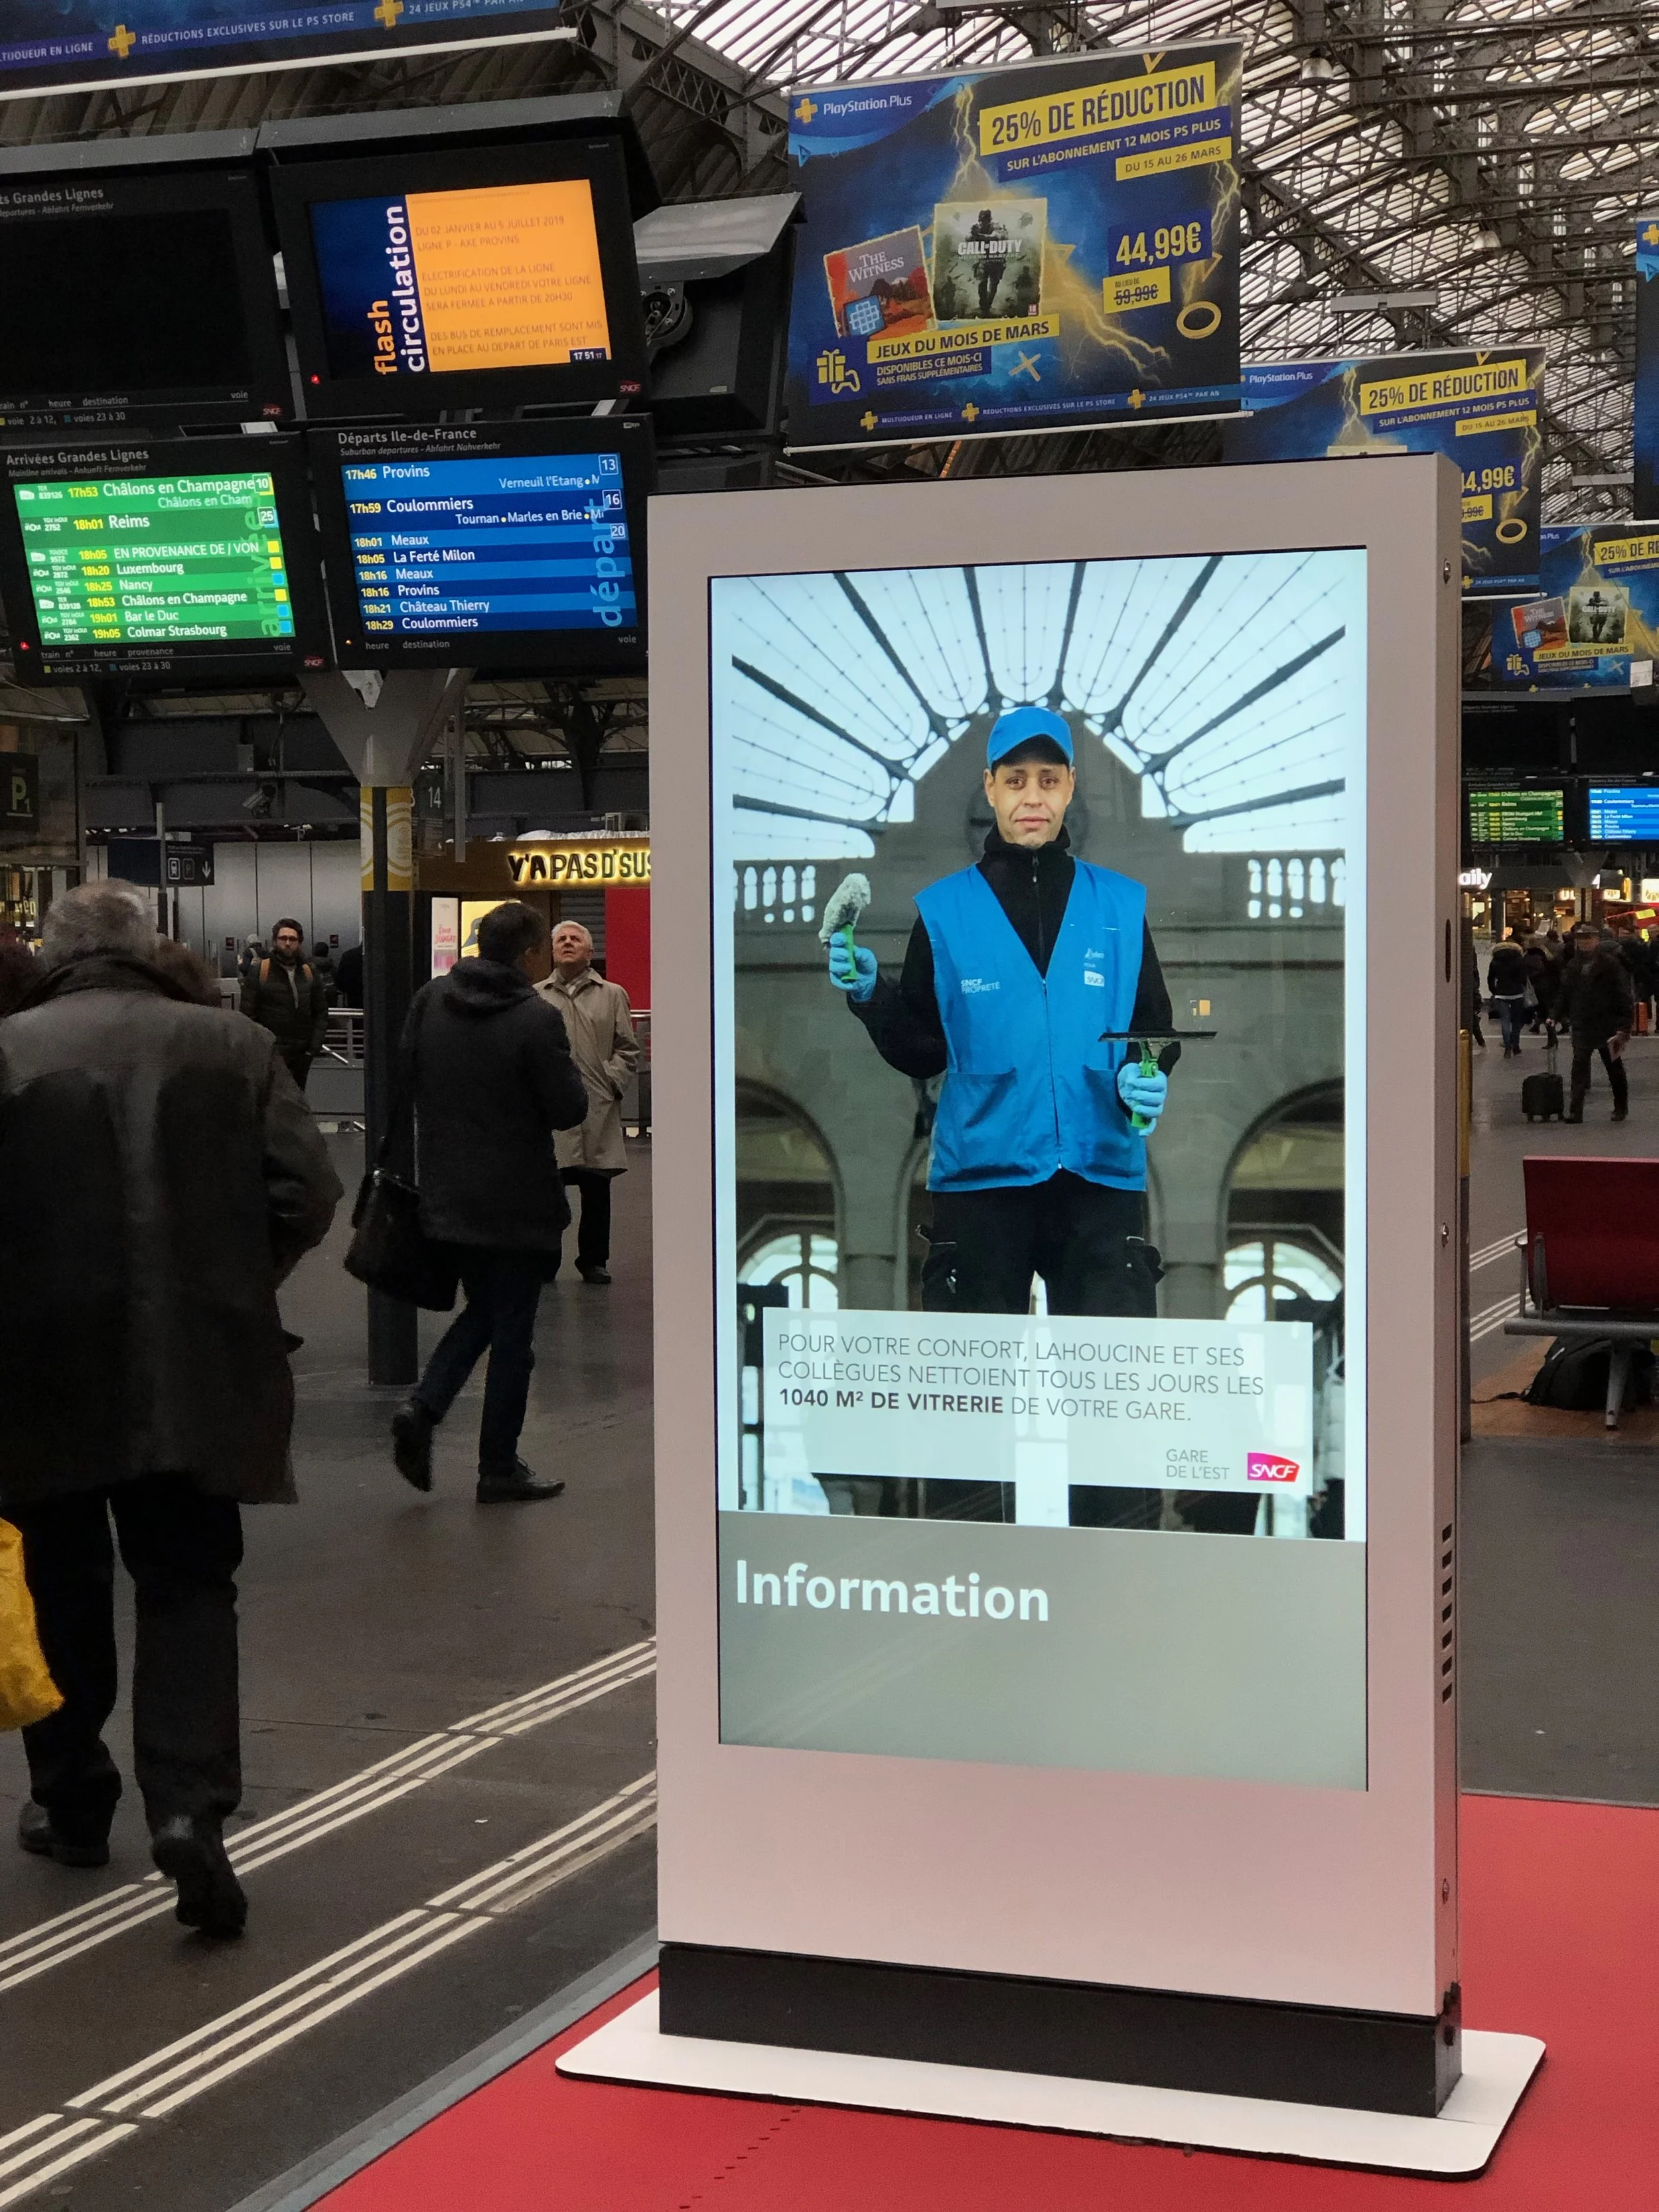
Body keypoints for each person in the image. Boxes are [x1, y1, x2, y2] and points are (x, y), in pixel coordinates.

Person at [0, 885, 340, 1933]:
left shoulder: (9, 1049)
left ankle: (73, 1796)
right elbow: (310, 1192)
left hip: (41, 1367)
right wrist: (240, 1278)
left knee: (60, 1579)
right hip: (203, 1361)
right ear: (151, 947)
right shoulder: (235, 1044)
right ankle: (190, 1809)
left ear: (54, 955)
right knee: (192, 1586)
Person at [830, 703, 1187, 1530]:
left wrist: (1148, 1073)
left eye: (1049, 780)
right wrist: (868, 994)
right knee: (969, 1402)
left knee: (1107, 1395)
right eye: (1017, 780)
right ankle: (976, 1578)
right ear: (990, 788)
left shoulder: (1118, 906)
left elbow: (1152, 1027)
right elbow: (922, 1047)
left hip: (1099, 1183)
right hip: (980, 1186)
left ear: (1069, 792)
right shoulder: (945, 911)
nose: (1033, 796)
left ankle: (1111, 1572)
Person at [390, 901, 589, 1502]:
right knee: (512, 1334)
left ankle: (425, 1409)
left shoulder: (429, 1000)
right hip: (518, 1201)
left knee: (487, 1311)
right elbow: (569, 1109)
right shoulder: (535, 1017)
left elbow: (406, 1070)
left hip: (448, 1192)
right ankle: (495, 1464)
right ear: (530, 954)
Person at [538, 919, 639, 1286]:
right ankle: (545, 1259)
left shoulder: (613, 995)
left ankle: (594, 1260)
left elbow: (628, 1048)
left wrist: (611, 1082)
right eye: (561, 939)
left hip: (597, 1108)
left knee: (597, 1190)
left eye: (575, 939)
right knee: (548, 1190)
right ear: (552, 951)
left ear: (589, 951)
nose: (567, 943)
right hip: (552, 1111)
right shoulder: (537, 996)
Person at [1557, 921, 1634, 1123]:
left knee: (1614, 1067)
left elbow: (1623, 995)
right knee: (1579, 1067)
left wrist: (1624, 1026)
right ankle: (1576, 1111)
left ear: (1597, 941)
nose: (1584, 943)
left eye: (1588, 939)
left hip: (1608, 1024)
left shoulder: (1610, 964)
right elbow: (1565, 993)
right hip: (1582, 1023)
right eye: (1581, 940)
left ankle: (1620, 1107)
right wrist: (1554, 1014)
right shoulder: (1573, 965)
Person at [240, 918, 327, 1090]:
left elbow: (321, 1012)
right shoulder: (260, 971)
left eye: (292, 939)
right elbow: (247, 1015)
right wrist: (261, 1050)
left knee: (297, 1104)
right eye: (283, 938)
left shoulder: (309, 972)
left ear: (299, 943)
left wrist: (312, 1049)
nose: (287, 943)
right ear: (275, 941)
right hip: (270, 1055)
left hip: (302, 1055)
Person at [1486, 930, 1530, 1058]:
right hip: (1517, 993)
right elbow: (1523, 978)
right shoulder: (1519, 961)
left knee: (1504, 1021)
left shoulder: (1495, 961)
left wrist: (1494, 991)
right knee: (1516, 1021)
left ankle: (1507, 1047)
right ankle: (1516, 1045)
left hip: (1501, 994)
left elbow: (1490, 978)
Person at [1522, 934, 1560, 1036]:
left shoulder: (1533, 956)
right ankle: (1550, 1035)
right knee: (1543, 1011)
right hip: (1543, 986)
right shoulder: (1541, 954)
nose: (1524, 943)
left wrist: (1529, 978)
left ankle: (1551, 1036)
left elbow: (1539, 970)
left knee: (1542, 1010)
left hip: (1539, 987)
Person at [334, 940, 363, 1009]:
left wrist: (344, 989)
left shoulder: (348, 955)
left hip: (354, 994)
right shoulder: (378, 956)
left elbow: (341, 976)